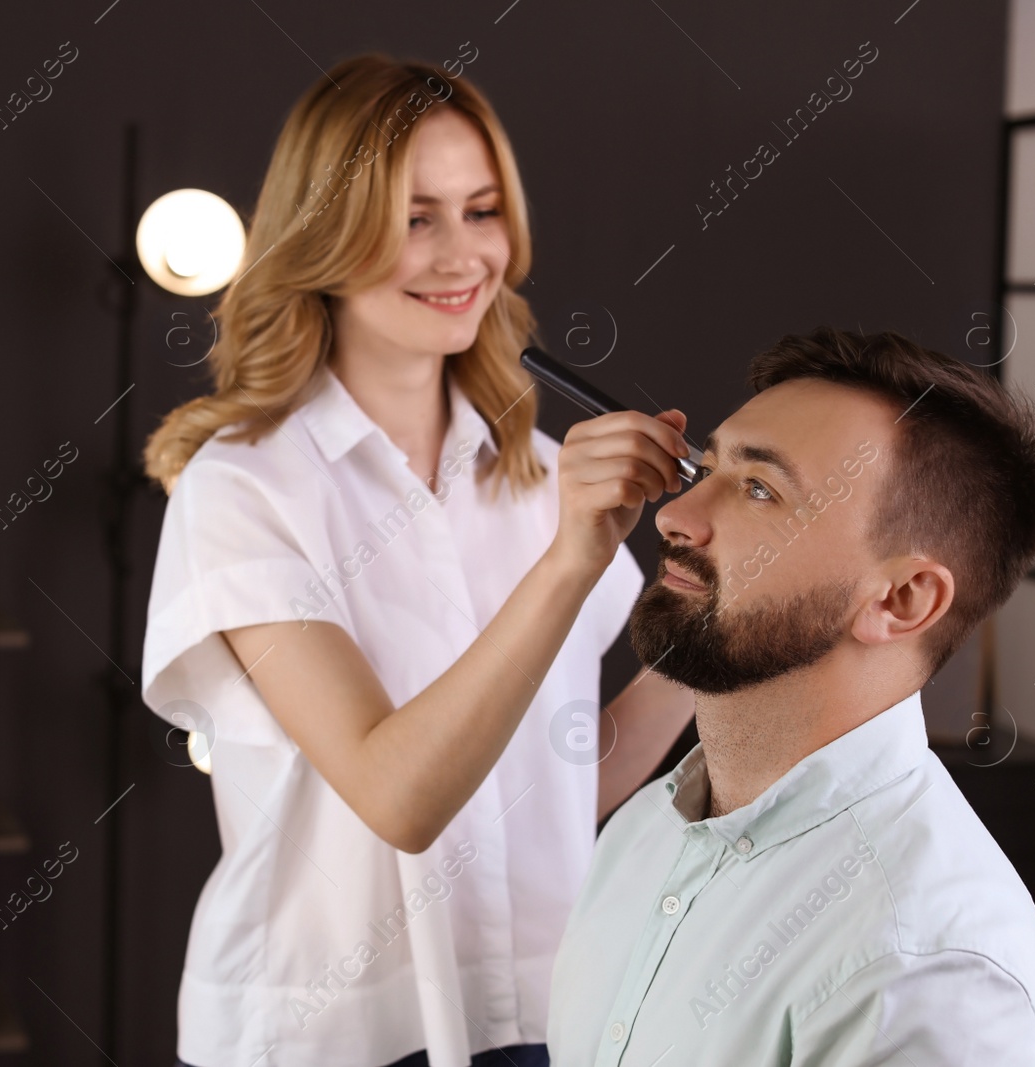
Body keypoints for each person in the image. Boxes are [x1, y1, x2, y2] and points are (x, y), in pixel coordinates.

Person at [139, 53, 696, 1067]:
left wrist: (712, 628)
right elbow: (396, 795)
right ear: (323, 235)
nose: (460, 256)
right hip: (329, 1029)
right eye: (414, 217)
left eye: (480, 211)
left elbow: (570, 772)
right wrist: (568, 561)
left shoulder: (541, 473)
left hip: (539, 1006)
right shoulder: (246, 489)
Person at [546, 326, 1035, 1065]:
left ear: (902, 599)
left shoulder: (922, 968)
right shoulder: (646, 830)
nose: (673, 516)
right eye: (709, 469)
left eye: (760, 489)